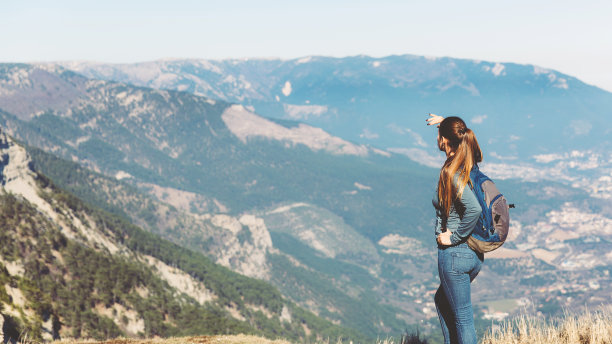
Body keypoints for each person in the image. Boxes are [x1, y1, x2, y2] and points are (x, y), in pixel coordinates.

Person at [427, 114, 484, 344]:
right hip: (473, 255)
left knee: (463, 319)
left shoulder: (451, 172)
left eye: (438, 135)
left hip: (455, 255)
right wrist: (444, 122)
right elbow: (461, 133)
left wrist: (454, 238)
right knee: (442, 300)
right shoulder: (466, 162)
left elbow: (474, 209)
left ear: (444, 140)